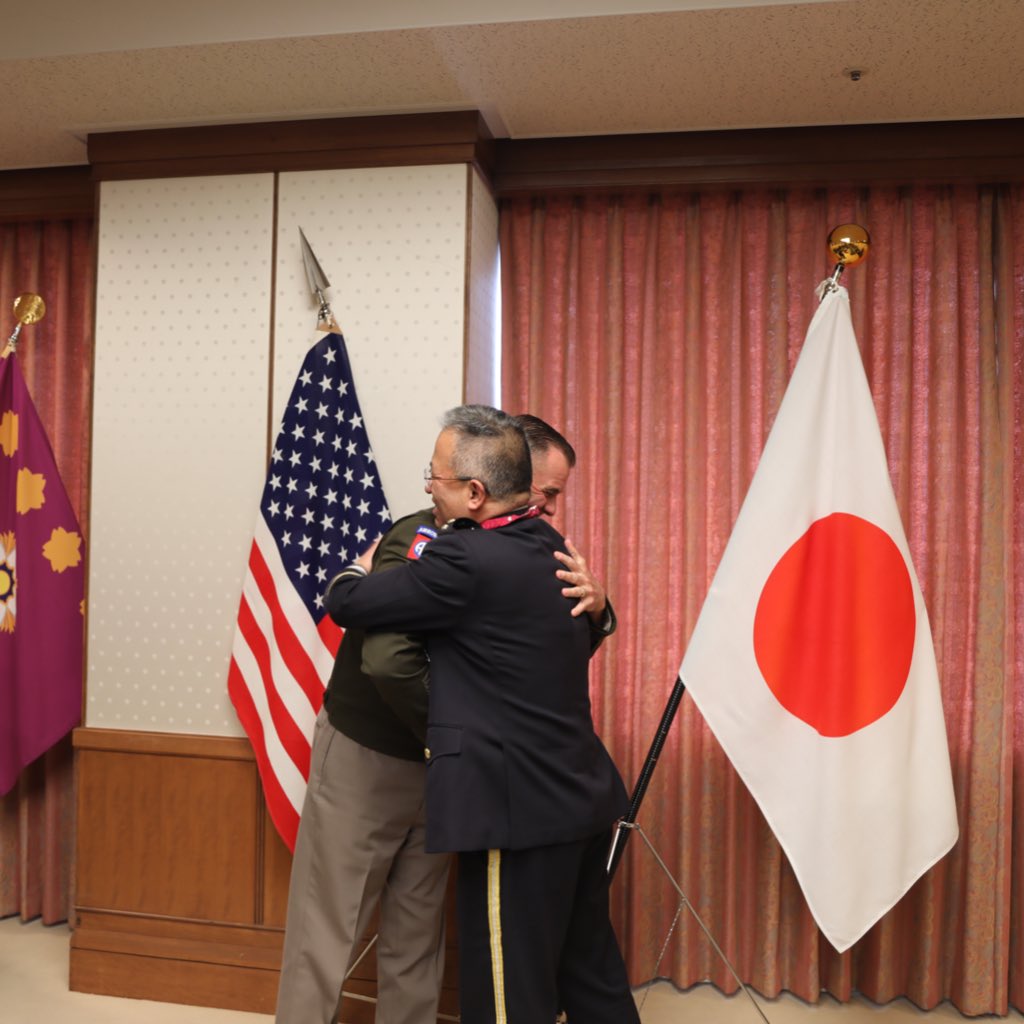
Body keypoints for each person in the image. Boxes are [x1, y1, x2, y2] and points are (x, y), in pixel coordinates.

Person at [274, 412, 612, 1024]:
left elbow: (536, 656)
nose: (550, 509)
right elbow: (386, 659)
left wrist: (599, 607)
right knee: (329, 928)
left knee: (417, 932)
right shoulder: (419, 539)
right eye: (547, 493)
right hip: (373, 754)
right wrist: (455, 734)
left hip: (448, 767)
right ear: (497, 480)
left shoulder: (526, 548)